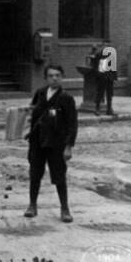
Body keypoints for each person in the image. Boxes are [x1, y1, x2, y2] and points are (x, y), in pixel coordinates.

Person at [24, 63, 78, 222]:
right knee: (35, 174)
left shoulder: (66, 98)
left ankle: (65, 209)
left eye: (57, 75)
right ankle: (32, 205)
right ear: (46, 78)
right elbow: (32, 115)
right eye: (51, 76)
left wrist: (68, 147)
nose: (54, 78)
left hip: (57, 144)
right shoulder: (40, 93)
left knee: (59, 176)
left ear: (62, 77)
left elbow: (72, 124)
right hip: (38, 142)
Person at [94, 41, 117, 117]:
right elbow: (96, 66)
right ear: (103, 46)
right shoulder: (99, 54)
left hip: (109, 77)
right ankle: (97, 109)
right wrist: (98, 76)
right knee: (100, 93)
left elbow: (114, 67)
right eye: (105, 45)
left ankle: (109, 109)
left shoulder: (112, 54)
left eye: (108, 45)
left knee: (109, 94)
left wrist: (114, 77)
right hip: (102, 77)